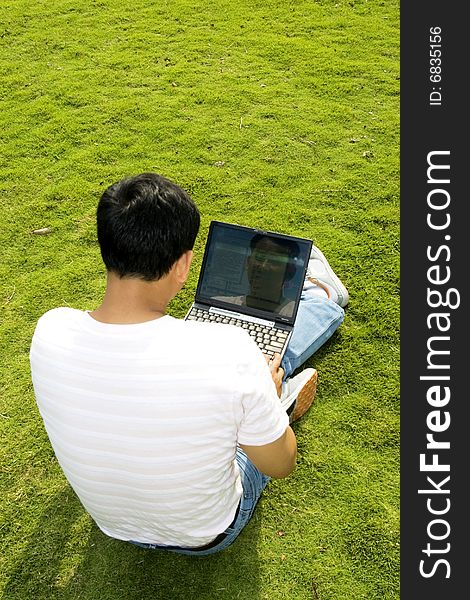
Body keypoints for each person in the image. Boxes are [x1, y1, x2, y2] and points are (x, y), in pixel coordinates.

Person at [29, 172, 348, 556]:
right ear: (184, 265)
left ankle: (261, 399)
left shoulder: (50, 329)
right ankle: (291, 371)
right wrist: (264, 393)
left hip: (114, 526)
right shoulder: (230, 350)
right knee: (264, 376)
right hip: (209, 533)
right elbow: (281, 464)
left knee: (238, 383)